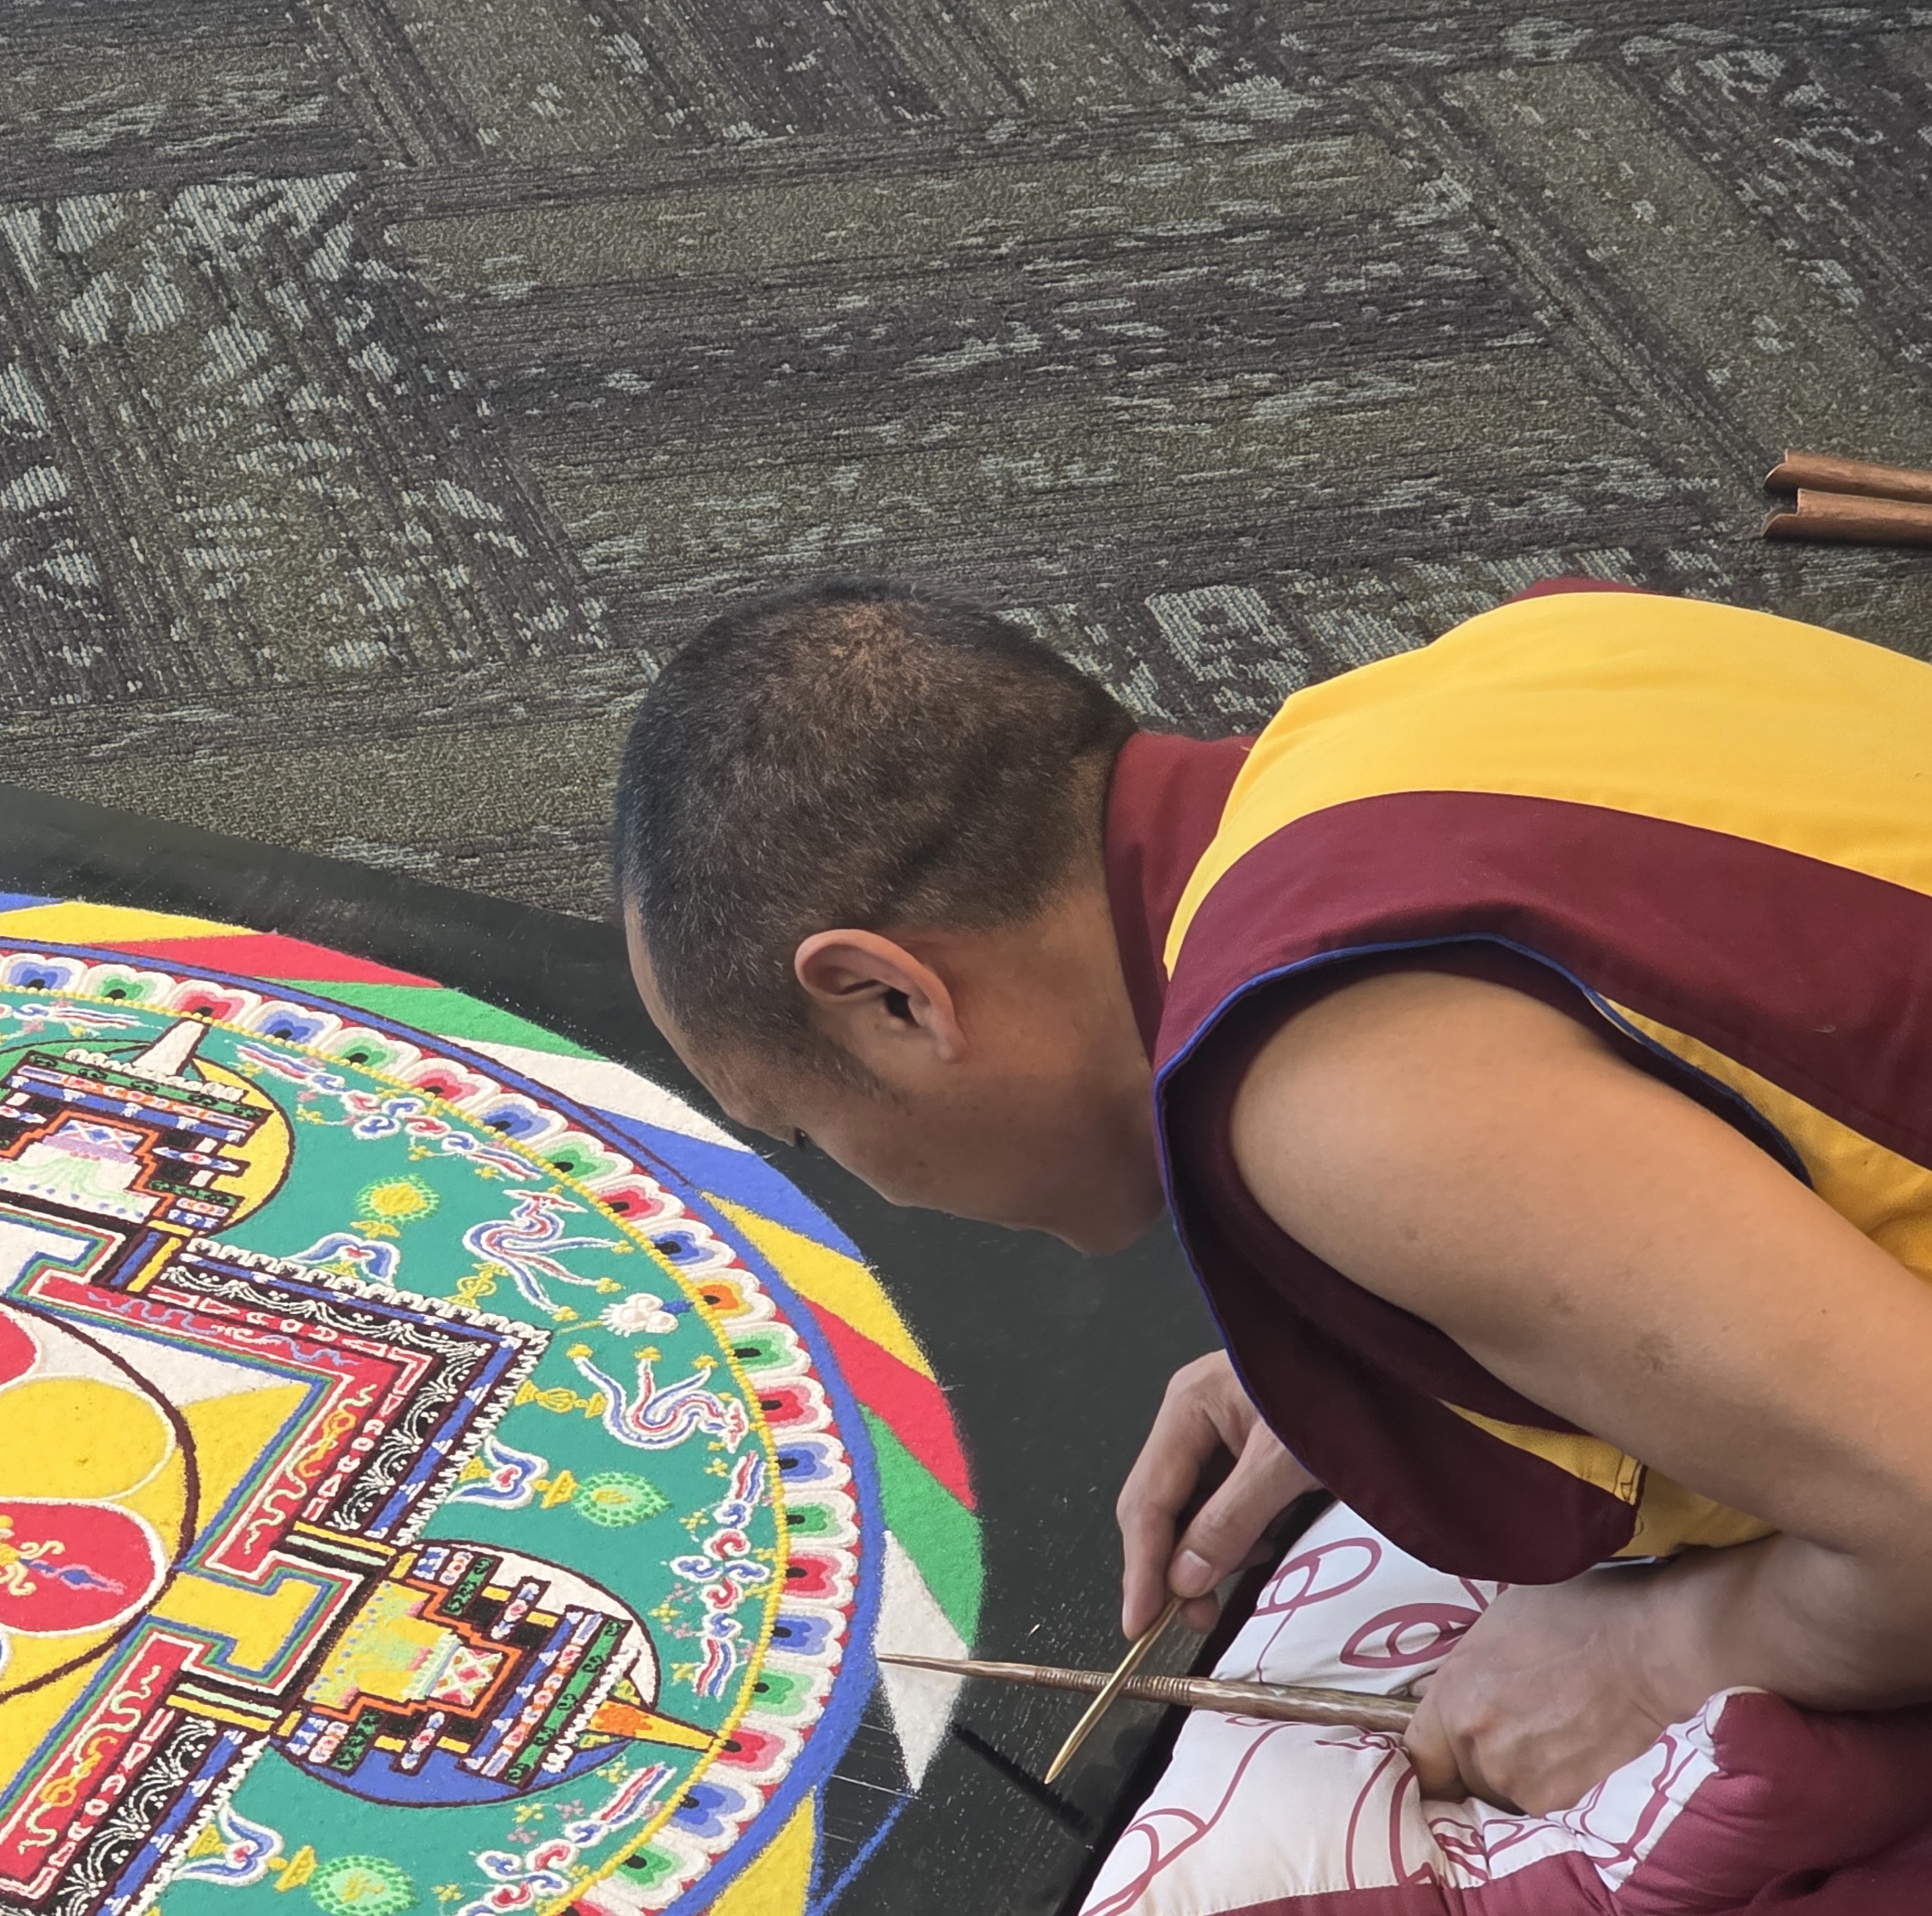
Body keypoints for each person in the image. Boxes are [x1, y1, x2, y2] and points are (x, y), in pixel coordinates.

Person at [611, 575, 1932, 1814]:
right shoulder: (1505, 661)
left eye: (796, 1124)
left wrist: (1659, 1657)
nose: (870, 1196)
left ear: (893, 997)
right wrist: (1424, 1339)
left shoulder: (1347, 1107)